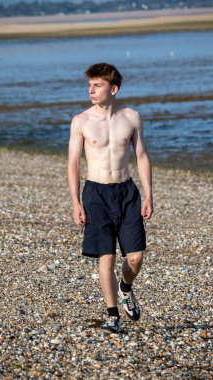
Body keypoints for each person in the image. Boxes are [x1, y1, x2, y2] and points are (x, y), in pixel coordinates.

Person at [68, 62, 153, 334]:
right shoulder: (81, 121)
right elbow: (73, 164)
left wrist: (149, 194)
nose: (91, 90)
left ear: (113, 89)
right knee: (107, 258)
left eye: (97, 85)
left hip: (127, 192)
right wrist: (76, 202)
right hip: (95, 194)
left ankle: (126, 287)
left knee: (136, 258)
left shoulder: (131, 117)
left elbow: (141, 156)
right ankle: (112, 316)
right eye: (89, 85)